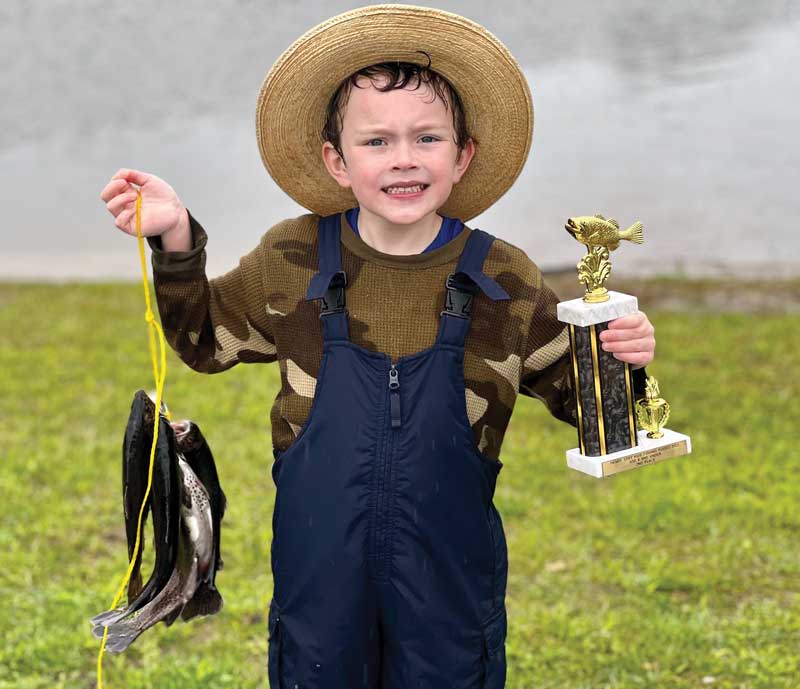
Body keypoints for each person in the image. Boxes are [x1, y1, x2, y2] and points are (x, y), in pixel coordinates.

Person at [100, 6, 655, 687]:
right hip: (318, 588)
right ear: (336, 159)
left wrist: (622, 359)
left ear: (463, 153)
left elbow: (591, 405)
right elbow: (200, 339)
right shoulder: (291, 258)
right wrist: (177, 239)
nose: (404, 159)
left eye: (427, 137)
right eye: (377, 141)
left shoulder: (504, 279)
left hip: (449, 589)